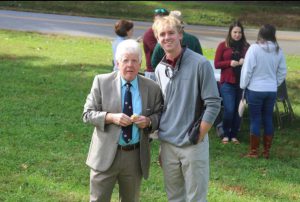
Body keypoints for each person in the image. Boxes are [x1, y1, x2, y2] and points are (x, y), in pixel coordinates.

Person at [82, 39, 163, 201]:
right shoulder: (101, 82)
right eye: (125, 60)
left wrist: (148, 122)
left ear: (140, 63)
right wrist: (110, 117)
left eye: (134, 61)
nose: (130, 65)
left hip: (134, 156)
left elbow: (160, 115)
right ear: (117, 62)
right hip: (105, 154)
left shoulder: (151, 87)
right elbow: (87, 114)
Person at [153, 15, 221, 202]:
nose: (167, 38)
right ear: (158, 39)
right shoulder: (160, 69)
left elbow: (214, 103)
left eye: (171, 33)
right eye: (162, 34)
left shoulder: (201, 64)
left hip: (192, 143)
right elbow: (162, 108)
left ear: (180, 35)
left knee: (196, 198)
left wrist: (199, 134)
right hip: (168, 145)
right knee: (174, 197)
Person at [240, 24, 287, 159]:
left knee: (255, 119)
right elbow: (282, 71)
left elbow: (247, 70)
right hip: (271, 90)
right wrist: (275, 83)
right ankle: (266, 151)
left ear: (260, 34)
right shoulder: (278, 50)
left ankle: (254, 152)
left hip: (255, 89)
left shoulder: (254, 49)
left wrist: (243, 85)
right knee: (267, 118)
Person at [214, 20, 249, 144]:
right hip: (227, 82)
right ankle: (225, 133)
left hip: (241, 83)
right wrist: (229, 63)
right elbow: (216, 64)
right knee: (229, 109)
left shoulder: (246, 47)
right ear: (230, 32)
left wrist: (245, 61)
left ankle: (234, 135)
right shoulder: (223, 45)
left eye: (239, 32)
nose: (237, 35)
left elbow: (251, 64)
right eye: (235, 32)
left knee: (238, 110)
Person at [143, 8, 169, 80]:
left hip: (165, 69)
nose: (160, 23)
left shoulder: (165, 33)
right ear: (154, 20)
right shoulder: (150, 34)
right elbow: (160, 51)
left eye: (163, 21)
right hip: (153, 72)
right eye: (158, 20)